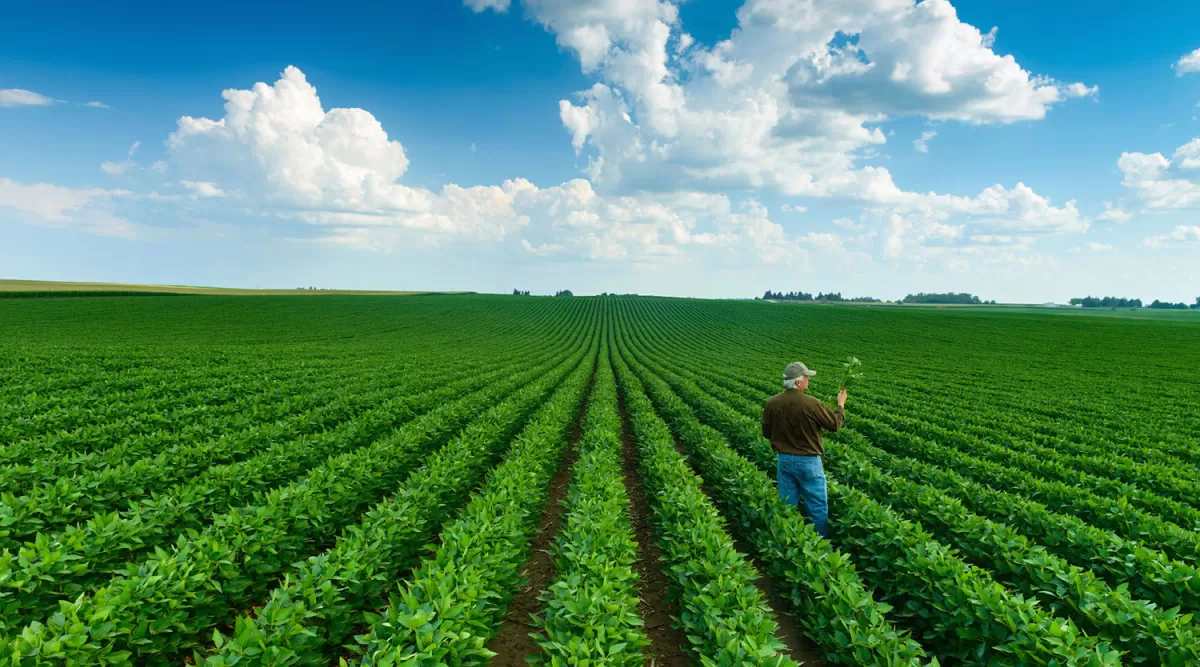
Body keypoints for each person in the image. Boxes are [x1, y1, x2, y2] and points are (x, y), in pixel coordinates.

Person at [760, 361, 847, 538]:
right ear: (798, 382)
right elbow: (834, 425)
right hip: (808, 462)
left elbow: (766, 432)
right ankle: (819, 545)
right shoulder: (810, 403)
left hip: (784, 460)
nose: (808, 379)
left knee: (787, 505)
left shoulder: (772, 403)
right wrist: (841, 405)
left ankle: (788, 540)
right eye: (806, 377)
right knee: (817, 506)